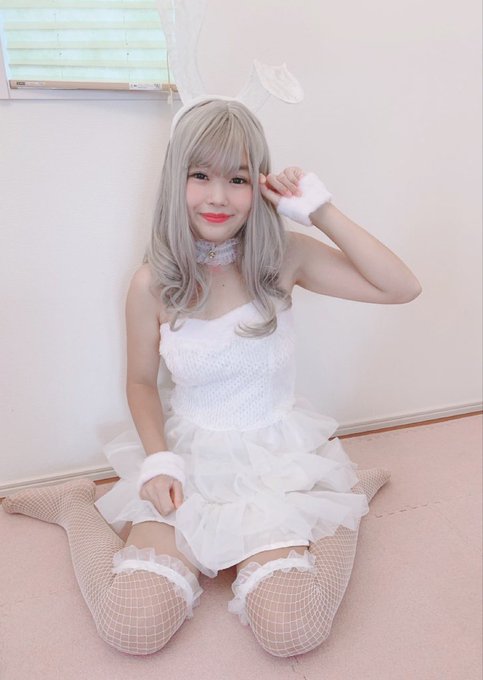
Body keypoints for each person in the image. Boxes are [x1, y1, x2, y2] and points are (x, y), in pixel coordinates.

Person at [3, 98, 421, 658]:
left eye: (238, 178)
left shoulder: (283, 258)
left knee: (293, 629)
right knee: (132, 626)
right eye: (200, 175)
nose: (218, 196)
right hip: (188, 457)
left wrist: (319, 210)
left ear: (260, 185)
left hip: (277, 459)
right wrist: (159, 459)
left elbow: (401, 287)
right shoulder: (151, 283)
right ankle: (72, 505)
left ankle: (344, 493)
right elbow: (140, 382)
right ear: (175, 179)